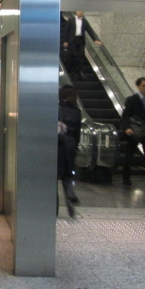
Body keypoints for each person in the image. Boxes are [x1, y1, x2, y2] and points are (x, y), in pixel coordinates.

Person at [58, 85, 81, 217]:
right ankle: (70, 194)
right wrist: (75, 149)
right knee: (67, 175)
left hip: (56, 146)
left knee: (53, 177)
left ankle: (53, 206)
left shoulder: (55, 109)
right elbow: (77, 134)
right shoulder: (77, 112)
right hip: (69, 147)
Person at [63, 11, 102, 78]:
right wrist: (65, 41)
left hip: (81, 40)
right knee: (74, 55)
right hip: (72, 40)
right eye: (79, 11)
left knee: (81, 55)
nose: (80, 13)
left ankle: (80, 71)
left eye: (81, 11)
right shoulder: (71, 20)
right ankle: (72, 71)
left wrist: (95, 39)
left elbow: (89, 30)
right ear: (76, 12)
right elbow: (66, 31)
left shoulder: (84, 21)